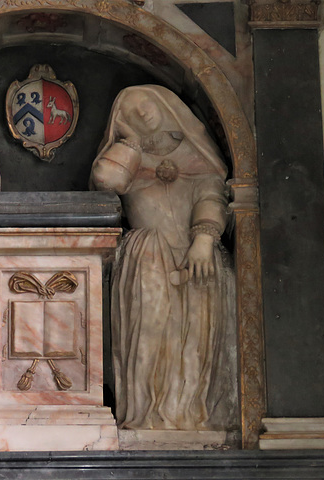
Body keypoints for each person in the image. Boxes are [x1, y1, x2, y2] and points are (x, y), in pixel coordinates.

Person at [90, 85, 232, 431]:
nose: (143, 112)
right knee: (148, 335)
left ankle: (189, 414)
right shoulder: (128, 155)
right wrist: (130, 143)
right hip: (147, 257)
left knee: (195, 336)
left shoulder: (196, 153)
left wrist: (203, 238)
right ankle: (145, 414)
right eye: (132, 110)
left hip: (197, 256)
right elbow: (107, 181)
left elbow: (211, 192)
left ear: (168, 106)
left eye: (147, 103)